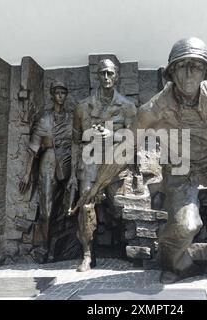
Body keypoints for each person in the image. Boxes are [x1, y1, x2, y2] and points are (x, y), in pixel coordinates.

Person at [76, 38, 207, 283]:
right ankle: (179, 266)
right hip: (181, 172)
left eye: (195, 66)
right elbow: (124, 149)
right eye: (181, 66)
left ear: (205, 70)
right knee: (185, 227)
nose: (188, 73)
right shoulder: (154, 108)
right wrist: (97, 185)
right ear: (171, 72)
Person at [68, 59, 137, 272]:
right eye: (102, 74)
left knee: (119, 207)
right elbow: (75, 141)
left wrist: (113, 135)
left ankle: (131, 248)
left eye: (110, 73)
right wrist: (72, 174)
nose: (106, 78)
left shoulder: (127, 106)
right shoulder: (82, 106)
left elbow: (135, 139)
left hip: (115, 163)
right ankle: (87, 255)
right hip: (89, 159)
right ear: (97, 76)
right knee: (86, 204)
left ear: (116, 76)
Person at [19, 82, 72, 261]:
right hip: (48, 161)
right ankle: (44, 246)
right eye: (57, 93)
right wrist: (27, 173)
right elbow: (33, 148)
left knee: (68, 206)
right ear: (52, 95)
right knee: (46, 209)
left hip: (67, 161)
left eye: (63, 93)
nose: (60, 96)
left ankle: (63, 245)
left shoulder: (71, 118)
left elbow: (77, 143)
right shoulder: (44, 118)